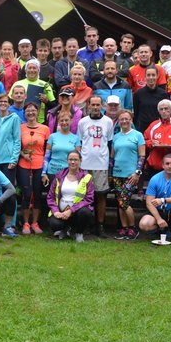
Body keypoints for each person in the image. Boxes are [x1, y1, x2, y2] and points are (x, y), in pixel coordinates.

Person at [76, 95, 114, 236]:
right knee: (84, 196)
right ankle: (86, 223)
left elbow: (109, 143)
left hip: (101, 165)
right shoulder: (83, 122)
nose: (96, 107)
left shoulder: (108, 122)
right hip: (85, 164)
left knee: (100, 196)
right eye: (93, 105)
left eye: (98, 105)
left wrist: (109, 163)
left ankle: (100, 225)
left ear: (102, 105)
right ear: (89, 105)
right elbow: (79, 142)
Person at [109, 109, 144, 240]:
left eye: (127, 119)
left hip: (131, 175)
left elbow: (142, 156)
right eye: (122, 119)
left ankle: (133, 228)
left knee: (124, 202)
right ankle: (124, 229)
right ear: (118, 121)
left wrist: (137, 173)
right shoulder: (116, 136)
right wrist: (111, 175)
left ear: (131, 120)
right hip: (117, 174)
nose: (124, 121)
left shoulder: (137, 135)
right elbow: (112, 157)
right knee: (120, 202)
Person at [138, 154, 171, 244]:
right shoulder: (155, 178)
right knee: (144, 224)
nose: (170, 166)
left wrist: (163, 200)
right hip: (158, 211)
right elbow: (149, 202)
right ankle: (161, 229)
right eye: (167, 163)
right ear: (163, 165)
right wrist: (158, 219)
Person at [17, 102, 51, 234]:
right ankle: (25, 222)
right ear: (24, 113)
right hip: (24, 165)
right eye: (28, 111)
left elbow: (47, 150)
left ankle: (35, 222)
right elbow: (16, 146)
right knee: (26, 194)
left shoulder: (45, 129)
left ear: (37, 112)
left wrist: (45, 169)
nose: (30, 113)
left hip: (39, 164)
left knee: (37, 194)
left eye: (33, 110)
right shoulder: (20, 128)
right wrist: (22, 154)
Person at [46, 150, 94, 242]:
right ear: (67, 160)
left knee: (86, 213)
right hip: (61, 212)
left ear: (80, 161)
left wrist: (71, 210)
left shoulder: (87, 177)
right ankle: (64, 230)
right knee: (54, 223)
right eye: (70, 159)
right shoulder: (59, 176)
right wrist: (56, 211)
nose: (72, 162)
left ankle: (79, 233)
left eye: (75, 160)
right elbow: (50, 197)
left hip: (77, 212)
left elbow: (89, 199)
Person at [143, 99, 171, 186]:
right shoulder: (153, 125)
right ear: (158, 111)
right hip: (155, 166)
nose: (164, 111)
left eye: (166, 108)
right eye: (161, 109)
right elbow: (144, 141)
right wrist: (151, 143)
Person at [11, 59, 55, 124]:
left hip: (39, 121)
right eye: (29, 68)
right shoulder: (17, 84)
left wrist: (46, 101)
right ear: (26, 70)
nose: (32, 70)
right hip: (19, 120)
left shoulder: (45, 85)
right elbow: (10, 101)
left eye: (34, 68)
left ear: (38, 70)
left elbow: (53, 105)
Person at [43, 112, 82, 180]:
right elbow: (46, 157)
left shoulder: (76, 138)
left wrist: (78, 173)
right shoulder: (52, 136)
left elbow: (78, 159)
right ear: (58, 122)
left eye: (66, 120)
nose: (64, 122)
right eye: (62, 120)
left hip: (68, 173)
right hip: (52, 172)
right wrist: (43, 173)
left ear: (71, 121)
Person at [132, 65, 168, 132]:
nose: (151, 77)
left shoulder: (163, 94)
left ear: (157, 76)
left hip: (158, 128)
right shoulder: (138, 94)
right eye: (148, 75)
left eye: (153, 75)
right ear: (145, 76)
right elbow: (136, 114)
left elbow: (165, 113)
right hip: (142, 128)